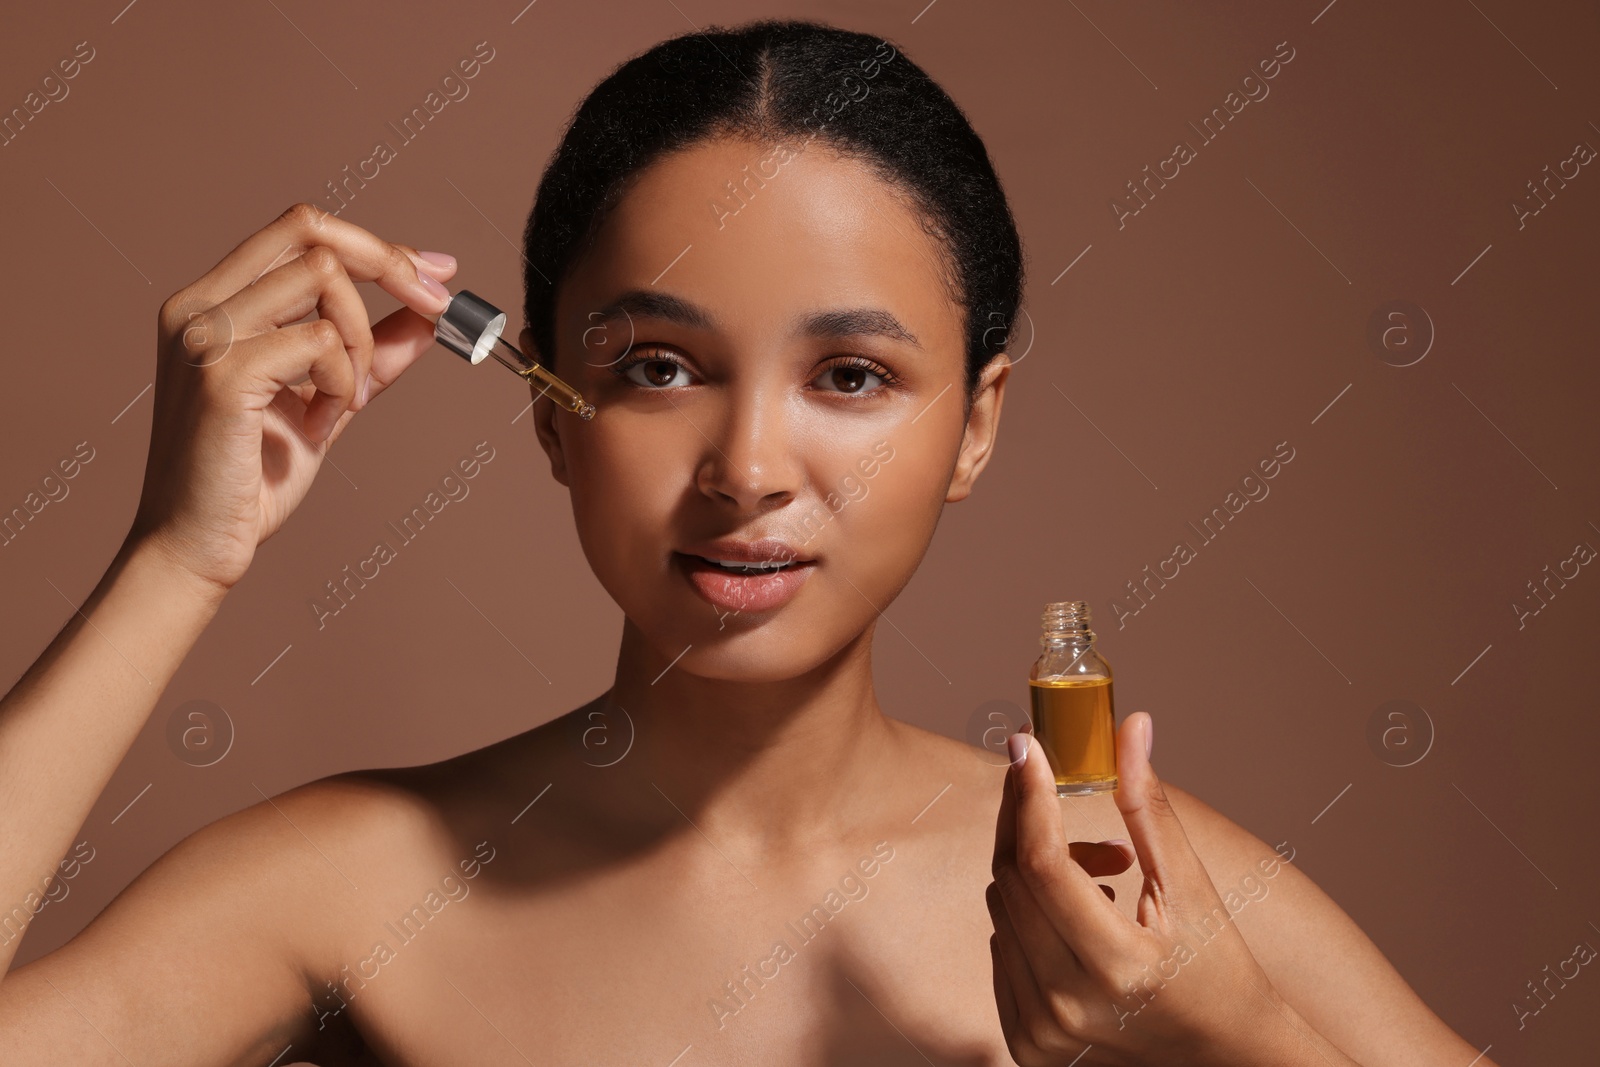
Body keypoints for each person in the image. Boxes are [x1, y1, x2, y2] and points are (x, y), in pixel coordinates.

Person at [0, 18, 1493, 1067]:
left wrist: (1233, 1046)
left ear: (975, 424)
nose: (749, 470)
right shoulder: (348, 885)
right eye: (658, 366)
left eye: (851, 377)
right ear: (549, 410)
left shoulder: (1137, 893)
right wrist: (175, 560)